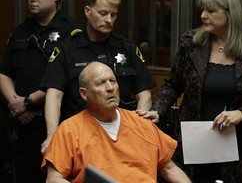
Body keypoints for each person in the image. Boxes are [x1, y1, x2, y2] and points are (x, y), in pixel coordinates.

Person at [138, 0, 242, 182]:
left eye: (211, 11)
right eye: (202, 9)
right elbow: (172, 84)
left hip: (240, 150)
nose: (203, 15)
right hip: (195, 145)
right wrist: (157, 110)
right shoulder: (192, 43)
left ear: (231, 12)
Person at [40, 0, 156, 155]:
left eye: (113, 14)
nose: (109, 19)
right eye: (103, 13)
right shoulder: (67, 50)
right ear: (88, 11)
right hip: (78, 136)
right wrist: (52, 135)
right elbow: (54, 96)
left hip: (121, 135)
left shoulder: (127, 48)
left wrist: (137, 129)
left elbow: (144, 94)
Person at [41, 61, 191, 183]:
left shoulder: (141, 123)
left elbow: (170, 169)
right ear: (84, 93)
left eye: (113, 81)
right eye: (100, 83)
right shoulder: (69, 130)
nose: (110, 88)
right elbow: (54, 178)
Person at [0, 0, 79, 183]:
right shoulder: (21, 31)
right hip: (22, 123)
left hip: (57, 123)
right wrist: (14, 103)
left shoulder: (71, 32)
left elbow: (65, 79)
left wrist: (27, 102)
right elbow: (4, 72)